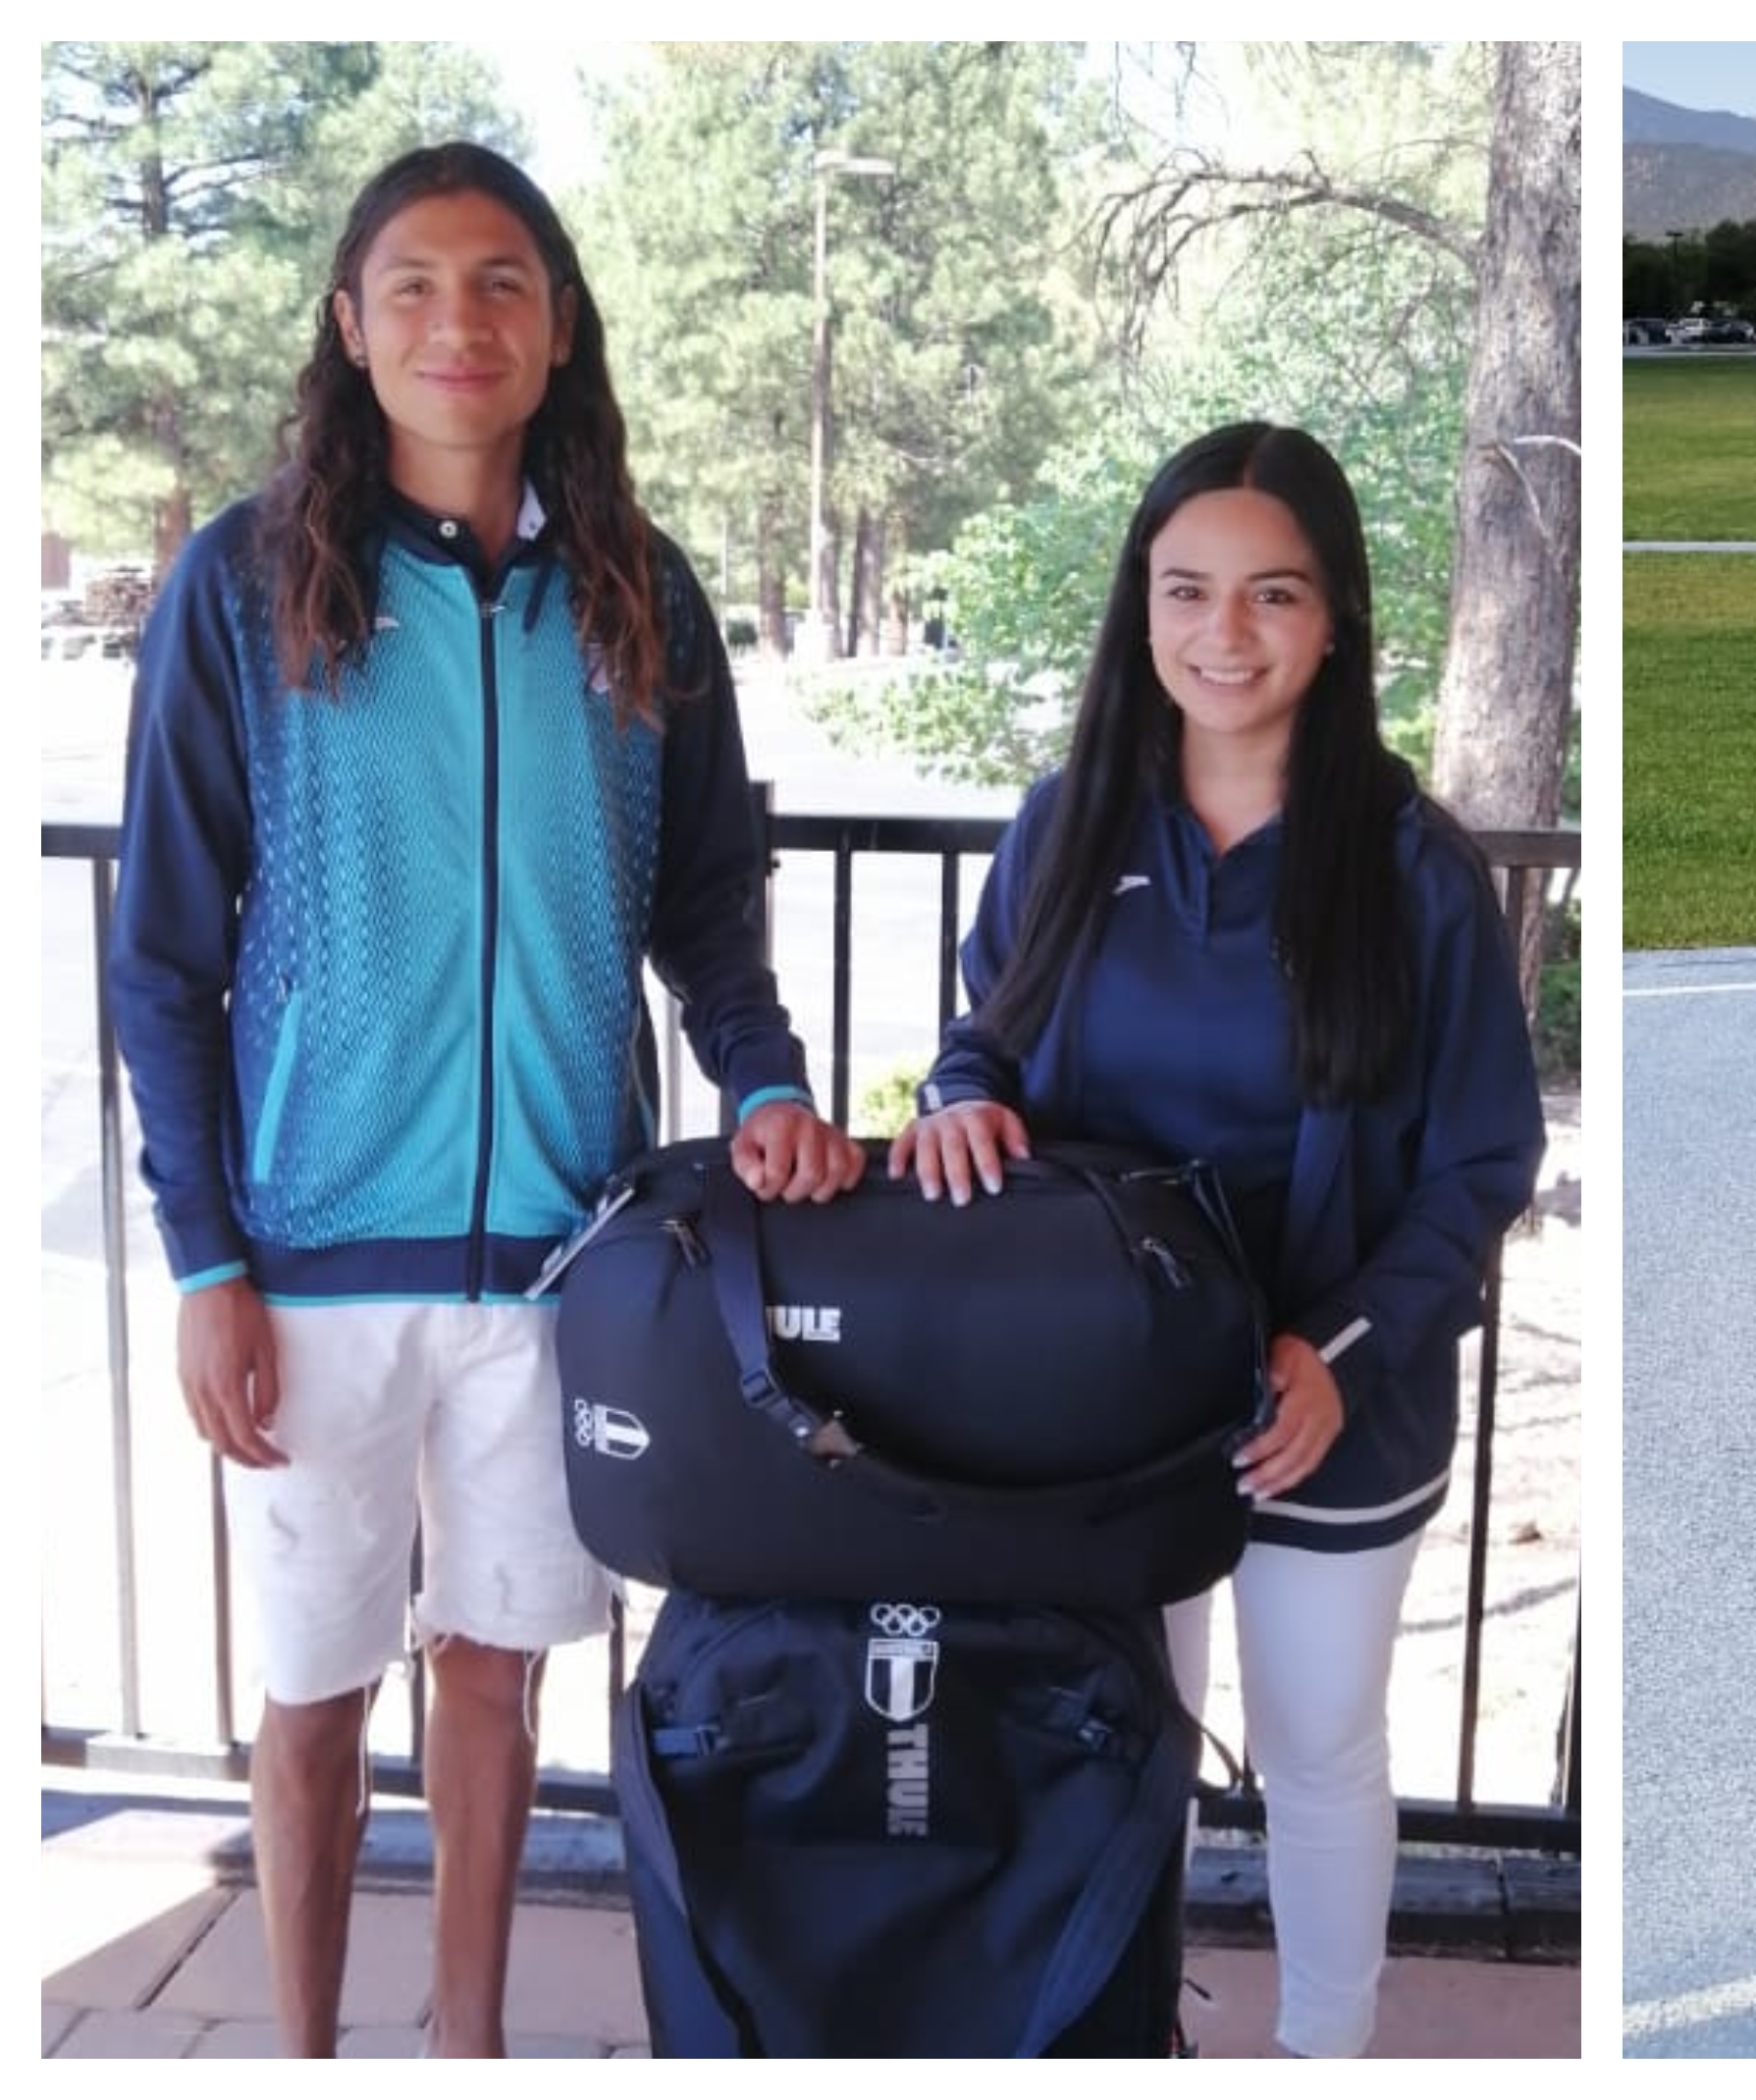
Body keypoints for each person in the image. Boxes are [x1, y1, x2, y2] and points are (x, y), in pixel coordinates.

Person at [106, 141, 866, 2056]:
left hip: (561, 1261)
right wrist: (203, 1257)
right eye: (418, 286)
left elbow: (707, 902)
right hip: (311, 1264)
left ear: (560, 326)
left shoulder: (639, 596)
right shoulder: (246, 586)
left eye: (504, 282)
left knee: (499, 1678)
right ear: (353, 328)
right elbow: (165, 952)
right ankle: (300, 2055)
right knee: (309, 1694)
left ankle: (469, 2048)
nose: (462, 320)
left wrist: (766, 1076)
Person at [888, 420, 1547, 2057]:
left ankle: (1321, 2056)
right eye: (1186, 590)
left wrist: (1336, 1356)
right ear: (1143, 607)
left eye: (1273, 593)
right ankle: (1130, 2041)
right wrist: (956, 1101)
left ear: (1335, 620)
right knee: (1123, 1747)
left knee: (1319, 1752)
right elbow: (984, 1043)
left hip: (1327, 1412)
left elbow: (1481, 1163)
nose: (1224, 632)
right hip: (1109, 1412)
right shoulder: (1066, 828)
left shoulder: (1414, 873)